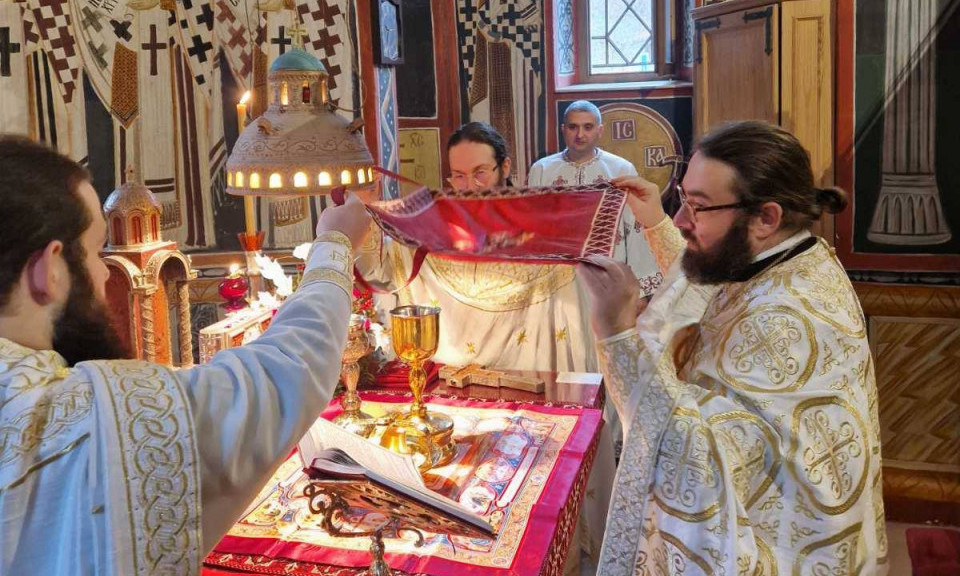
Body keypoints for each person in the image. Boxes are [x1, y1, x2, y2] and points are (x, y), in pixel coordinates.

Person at [0, 135, 372, 574]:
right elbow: (283, 374)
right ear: (50, 270)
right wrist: (334, 242)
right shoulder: (81, 421)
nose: (105, 274)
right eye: (97, 252)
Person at [579, 121, 886, 575]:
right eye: (682, 199)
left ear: (767, 217)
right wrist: (657, 224)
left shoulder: (788, 320)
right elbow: (709, 285)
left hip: (777, 546)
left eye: (697, 206)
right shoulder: (788, 256)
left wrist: (616, 332)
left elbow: (693, 463)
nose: (683, 219)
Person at [527, 100, 659, 284]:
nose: (580, 134)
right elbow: (532, 228)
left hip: (609, 275)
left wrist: (641, 286)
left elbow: (635, 229)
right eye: (573, 127)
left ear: (600, 130)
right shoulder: (541, 169)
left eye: (587, 127)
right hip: (557, 276)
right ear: (563, 129)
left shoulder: (621, 169)